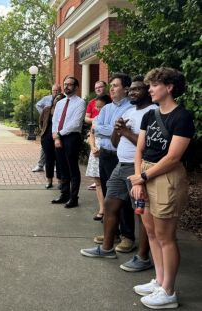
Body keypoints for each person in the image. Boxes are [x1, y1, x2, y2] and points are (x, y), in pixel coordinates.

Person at [129, 68, 195, 309]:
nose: (149, 89)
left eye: (154, 85)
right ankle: (159, 280)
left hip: (165, 177)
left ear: (169, 87)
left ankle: (169, 291)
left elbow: (174, 157)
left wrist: (143, 177)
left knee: (166, 236)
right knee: (152, 232)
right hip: (145, 174)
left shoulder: (182, 117)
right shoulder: (150, 116)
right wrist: (138, 177)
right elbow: (139, 149)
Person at [81, 76, 157, 272]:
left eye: (137, 89)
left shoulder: (153, 113)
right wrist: (117, 130)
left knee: (141, 213)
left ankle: (143, 256)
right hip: (120, 165)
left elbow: (148, 145)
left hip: (137, 168)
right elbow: (115, 142)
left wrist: (124, 131)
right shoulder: (130, 111)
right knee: (109, 204)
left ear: (147, 91)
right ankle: (107, 248)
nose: (132, 92)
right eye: (131, 89)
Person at [91, 73, 135, 253]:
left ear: (126, 88)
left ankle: (127, 236)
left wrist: (107, 129)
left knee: (123, 198)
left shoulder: (131, 108)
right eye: (111, 85)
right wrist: (112, 129)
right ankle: (112, 233)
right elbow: (96, 127)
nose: (112, 88)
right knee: (110, 196)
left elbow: (123, 130)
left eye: (115, 85)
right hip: (105, 154)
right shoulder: (106, 107)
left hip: (121, 156)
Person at [51, 77, 86, 208]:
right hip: (59, 138)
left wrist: (59, 134)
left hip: (71, 138)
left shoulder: (80, 102)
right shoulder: (60, 103)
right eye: (65, 84)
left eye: (70, 85)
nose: (66, 87)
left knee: (72, 168)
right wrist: (56, 136)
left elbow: (75, 124)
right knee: (61, 167)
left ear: (76, 87)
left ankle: (73, 197)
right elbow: (55, 121)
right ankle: (64, 194)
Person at [85, 94, 111, 221]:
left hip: (107, 151)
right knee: (98, 182)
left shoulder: (113, 119)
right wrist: (93, 147)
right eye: (97, 107)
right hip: (95, 152)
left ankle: (110, 210)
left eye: (101, 107)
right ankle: (102, 209)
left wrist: (101, 149)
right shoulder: (96, 119)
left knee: (108, 182)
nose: (98, 109)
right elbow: (91, 134)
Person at [32, 84, 62, 172]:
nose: (55, 92)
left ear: (60, 91)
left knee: (57, 146)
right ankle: (40, 165)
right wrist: (44, 114)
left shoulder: (62, 99)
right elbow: (37, 105)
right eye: (54, 90)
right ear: (51, 91)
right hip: (47, 127)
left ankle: (55, 165)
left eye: (57, 90)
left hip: (58, 128)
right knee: (44, 147)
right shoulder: (46, 99)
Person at [85, 81, 108, 190]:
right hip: (95, 132)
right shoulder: (91, 102)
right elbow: (86, 118)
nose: (98, 89)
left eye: (100, 87)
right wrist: (94, 120)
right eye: (96, 88)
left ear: (105, 88)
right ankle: (97, 181)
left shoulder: (110, 102)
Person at [39, 93, 65, 189]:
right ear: (53, 99)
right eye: (56, 98)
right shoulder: (47, 109)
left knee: (59, 159)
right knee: (49, 159)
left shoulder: (64, 111)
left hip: (59, 138)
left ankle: (60, 181)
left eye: (60, 99)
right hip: (47, 137)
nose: (57, 100)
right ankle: (49, 180)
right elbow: (41, 121)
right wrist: (43, 132)